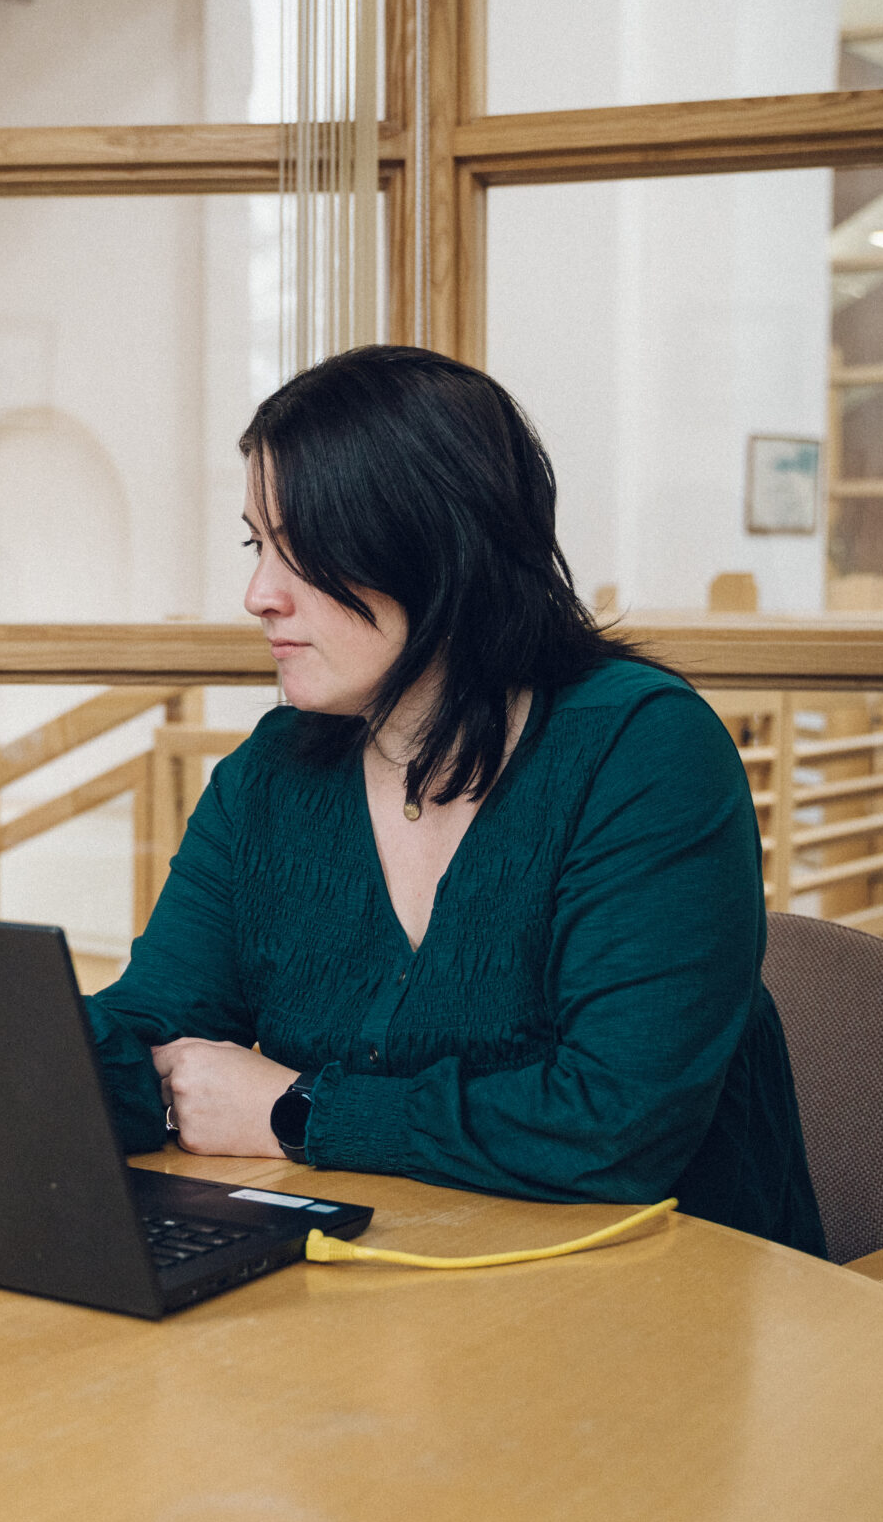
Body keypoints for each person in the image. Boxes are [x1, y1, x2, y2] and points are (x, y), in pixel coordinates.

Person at [89, 346, 826, 1254]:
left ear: (435, 547)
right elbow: (153, 1027)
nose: (258, 595)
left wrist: (295, 1111)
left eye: (303, 550)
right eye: (257, 544)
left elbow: (615, 1127)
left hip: (652, 1307)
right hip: (381, 1296)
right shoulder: (272, 775)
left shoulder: (643, 754)